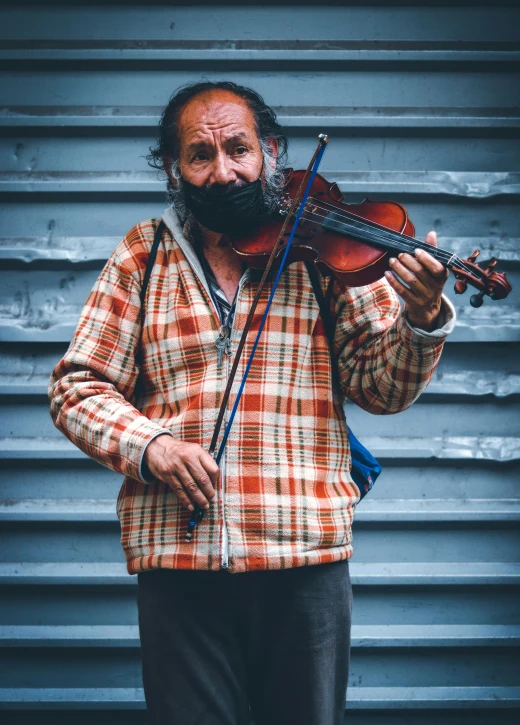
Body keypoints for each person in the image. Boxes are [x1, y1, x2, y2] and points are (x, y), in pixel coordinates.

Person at [48, 81, 456, 725]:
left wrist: (423, 315)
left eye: (238, 149)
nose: (224, 172)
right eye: (199, 157)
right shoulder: (143, 254)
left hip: (306, 556)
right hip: (178, 560)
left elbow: (383, 389)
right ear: (173, 170)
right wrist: (152, 445)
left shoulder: (328, 256)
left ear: (270, 152)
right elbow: (76, 387)